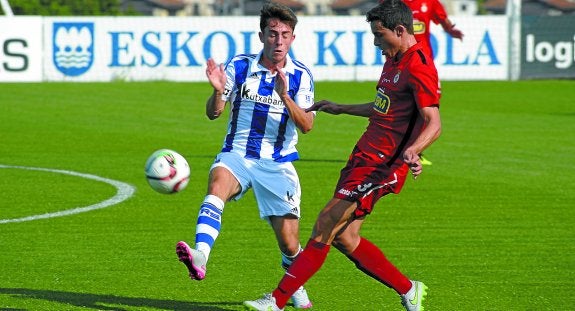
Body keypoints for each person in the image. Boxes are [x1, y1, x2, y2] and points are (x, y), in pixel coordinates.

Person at [244, 1, 442, 311]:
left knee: (326, 222)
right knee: (345, 237)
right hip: (363, 157)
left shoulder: (419, 66)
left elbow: (434, 122)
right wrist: (341, 108)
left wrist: (414, 151)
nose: (376, 42)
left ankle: (277, 301)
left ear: (400, 30)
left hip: (382, 166)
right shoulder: (394, 59)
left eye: (379, 35)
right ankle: (408, 288)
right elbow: (385, 107)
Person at [175, 2, 315, 309]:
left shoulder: (301, 76)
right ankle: (201, 254)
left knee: (290, 244)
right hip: (237, 153)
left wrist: (284, 96)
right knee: (216, 186)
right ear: (262, 35)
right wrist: (216, 91)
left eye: (285, 35)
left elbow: (306, 125)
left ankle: (295, 287)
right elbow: (214, 113)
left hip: (278, 164)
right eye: (273, 34)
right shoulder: (239, 66)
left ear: (292, 38)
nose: (278, 41)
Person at [381, 0, 462, 166]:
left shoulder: (430, 2)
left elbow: (443, 19)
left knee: (428, 107)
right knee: (393, 105)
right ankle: (403, 149)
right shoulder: (391, 2)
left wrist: (450, 30)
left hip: (422, 64)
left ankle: (413, 150)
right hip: (397, 63)